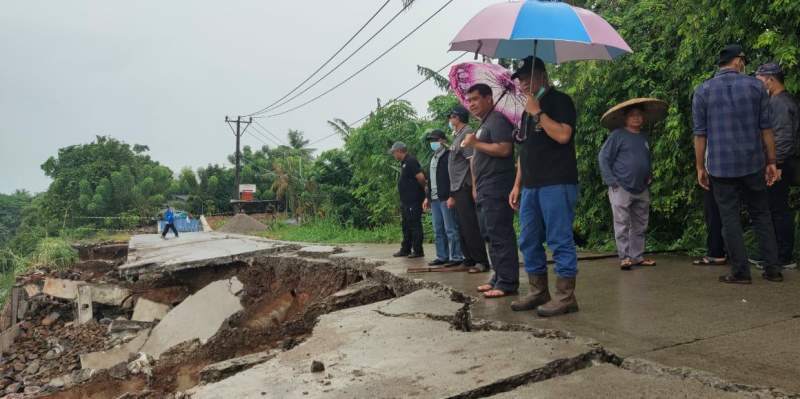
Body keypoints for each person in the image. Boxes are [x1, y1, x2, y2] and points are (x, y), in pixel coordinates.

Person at [692, 44, 783, 284]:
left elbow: (700, 135)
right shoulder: (756, 87)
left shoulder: (703, 91)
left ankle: (741, 272)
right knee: (761, 214)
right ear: (738, 61)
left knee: (729, 217)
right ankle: (773, 269)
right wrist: (771, 161)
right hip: (753, 163)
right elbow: (766, 129)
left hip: (720, 167)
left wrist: (700, 167)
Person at [508, 56, 579, 317]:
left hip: (557, 182)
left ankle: (566, 296)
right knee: (527, 239)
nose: (523, 83)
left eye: (527, 78)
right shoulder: (526, 110)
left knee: (559, 239)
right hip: (531, 186)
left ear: (543, 76)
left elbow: (563, 135)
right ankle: (539, 291)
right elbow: (524, 152)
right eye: (521, 80)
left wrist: (538, 111)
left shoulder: (559, 101)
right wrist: (517, 185)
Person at [461, 83, 519, 298]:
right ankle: (497, 277)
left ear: (488, 98)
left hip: (498, 184)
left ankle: (508, 282)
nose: (472, 104)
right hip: (485, 186)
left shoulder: (498, 120)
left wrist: (475, 143)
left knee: (500, 233)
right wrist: (476, 186)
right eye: (469, 100)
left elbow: (505, 149)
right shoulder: (484, 123)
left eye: (475, 99)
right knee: (490, 234)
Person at [598, 100, 664, 270]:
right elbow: (603, 157)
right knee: (622, 223)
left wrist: (649, 175)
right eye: (633, 115)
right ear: (625, 118)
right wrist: (611, 181)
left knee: (640, 223)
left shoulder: (643, 137)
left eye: (640, 115)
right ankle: (625, 257)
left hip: (641, 187)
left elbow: (646, 159)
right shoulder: (617, 135)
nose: (637, 118)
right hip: (621, 186)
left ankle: (637, 256)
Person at [755, 62, 799, 270]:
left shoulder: (779, 103)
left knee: (778, 209)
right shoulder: (780, 100)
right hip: (781, 162)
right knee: (775, 208)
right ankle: (774, 254)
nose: (758, 84)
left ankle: (782, 256)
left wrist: (776, 165)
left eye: (760, 80)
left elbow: (783, 138)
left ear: (770, 80)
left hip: (782, 164)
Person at [447, 105, 490, 273]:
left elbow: (472, 161)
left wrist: (474, 186)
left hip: (465, 186)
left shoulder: (467, 133)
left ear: (457, 117)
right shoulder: (457, 135)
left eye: (451, 117)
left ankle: (481, 261)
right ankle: (469, 258)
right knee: (461, 226)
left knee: (470, 225)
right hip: (456, 187)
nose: (449, 120)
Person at [423, 129, 464, 267]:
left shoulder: (448, 156)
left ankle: (456, 257)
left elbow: (453, 177)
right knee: (438, 229)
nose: (433, 143)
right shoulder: (433, 158)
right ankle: (442, 256)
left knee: (450, 229)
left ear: (443, 140)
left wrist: (452, 195)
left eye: (435, 140)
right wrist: (427, 197)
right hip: (434, 199)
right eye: (431, 140)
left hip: (446, 197)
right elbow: (430, 180)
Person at [390, 141, 426, 258]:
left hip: (413, 200)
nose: (393, 155)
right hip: (406, 201)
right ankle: (405, 249)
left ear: (399, 151)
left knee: (415, 225)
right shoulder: (403, 163)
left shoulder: (411, 161)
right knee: (406, 225)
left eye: (394, 152)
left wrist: (424, 190)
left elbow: (420, 177)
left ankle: (418, 250)